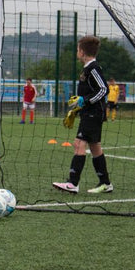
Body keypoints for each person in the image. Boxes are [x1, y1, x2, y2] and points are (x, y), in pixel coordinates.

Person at [53, 35, 113, 195]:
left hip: (94, 114)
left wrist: (84, 101)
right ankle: (106, 183)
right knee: (94, 147)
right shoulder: (87, 68)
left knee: (79, 144)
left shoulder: (93, 68)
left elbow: (103, 89)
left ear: (82, 52)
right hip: (90, 113)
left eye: (78, 50)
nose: (77, 52)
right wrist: (77, 108)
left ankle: (72, 184)